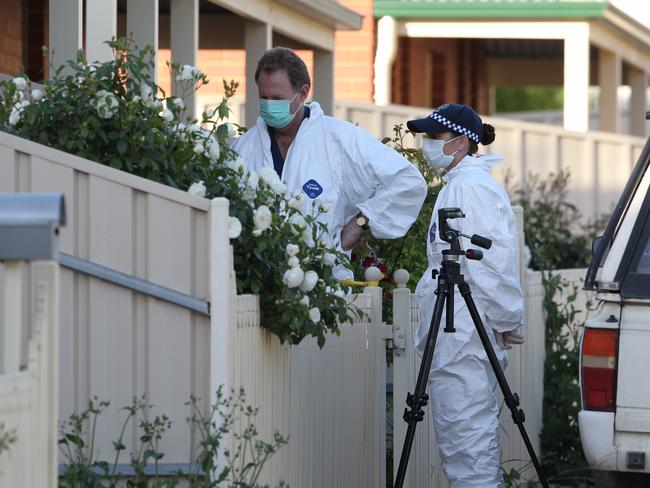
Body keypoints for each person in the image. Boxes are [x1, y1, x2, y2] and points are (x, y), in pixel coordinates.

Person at [231, 47, 427, 279]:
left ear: (302, 93)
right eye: (263, 97)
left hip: (325, 287)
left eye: (277, 99)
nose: (268, 104)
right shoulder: (242, 148)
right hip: (257, 285)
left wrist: (361, 221)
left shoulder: (340, 140)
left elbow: (407, 182)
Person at [407, 103, 525, 488]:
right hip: (458, 333)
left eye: (434, 138)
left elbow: (492, 262)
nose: (427, 145)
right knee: (463, 443)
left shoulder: (470, 188)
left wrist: (507, 319)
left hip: (463, 337)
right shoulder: (461, 185)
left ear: (460, 142)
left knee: (468, 445)